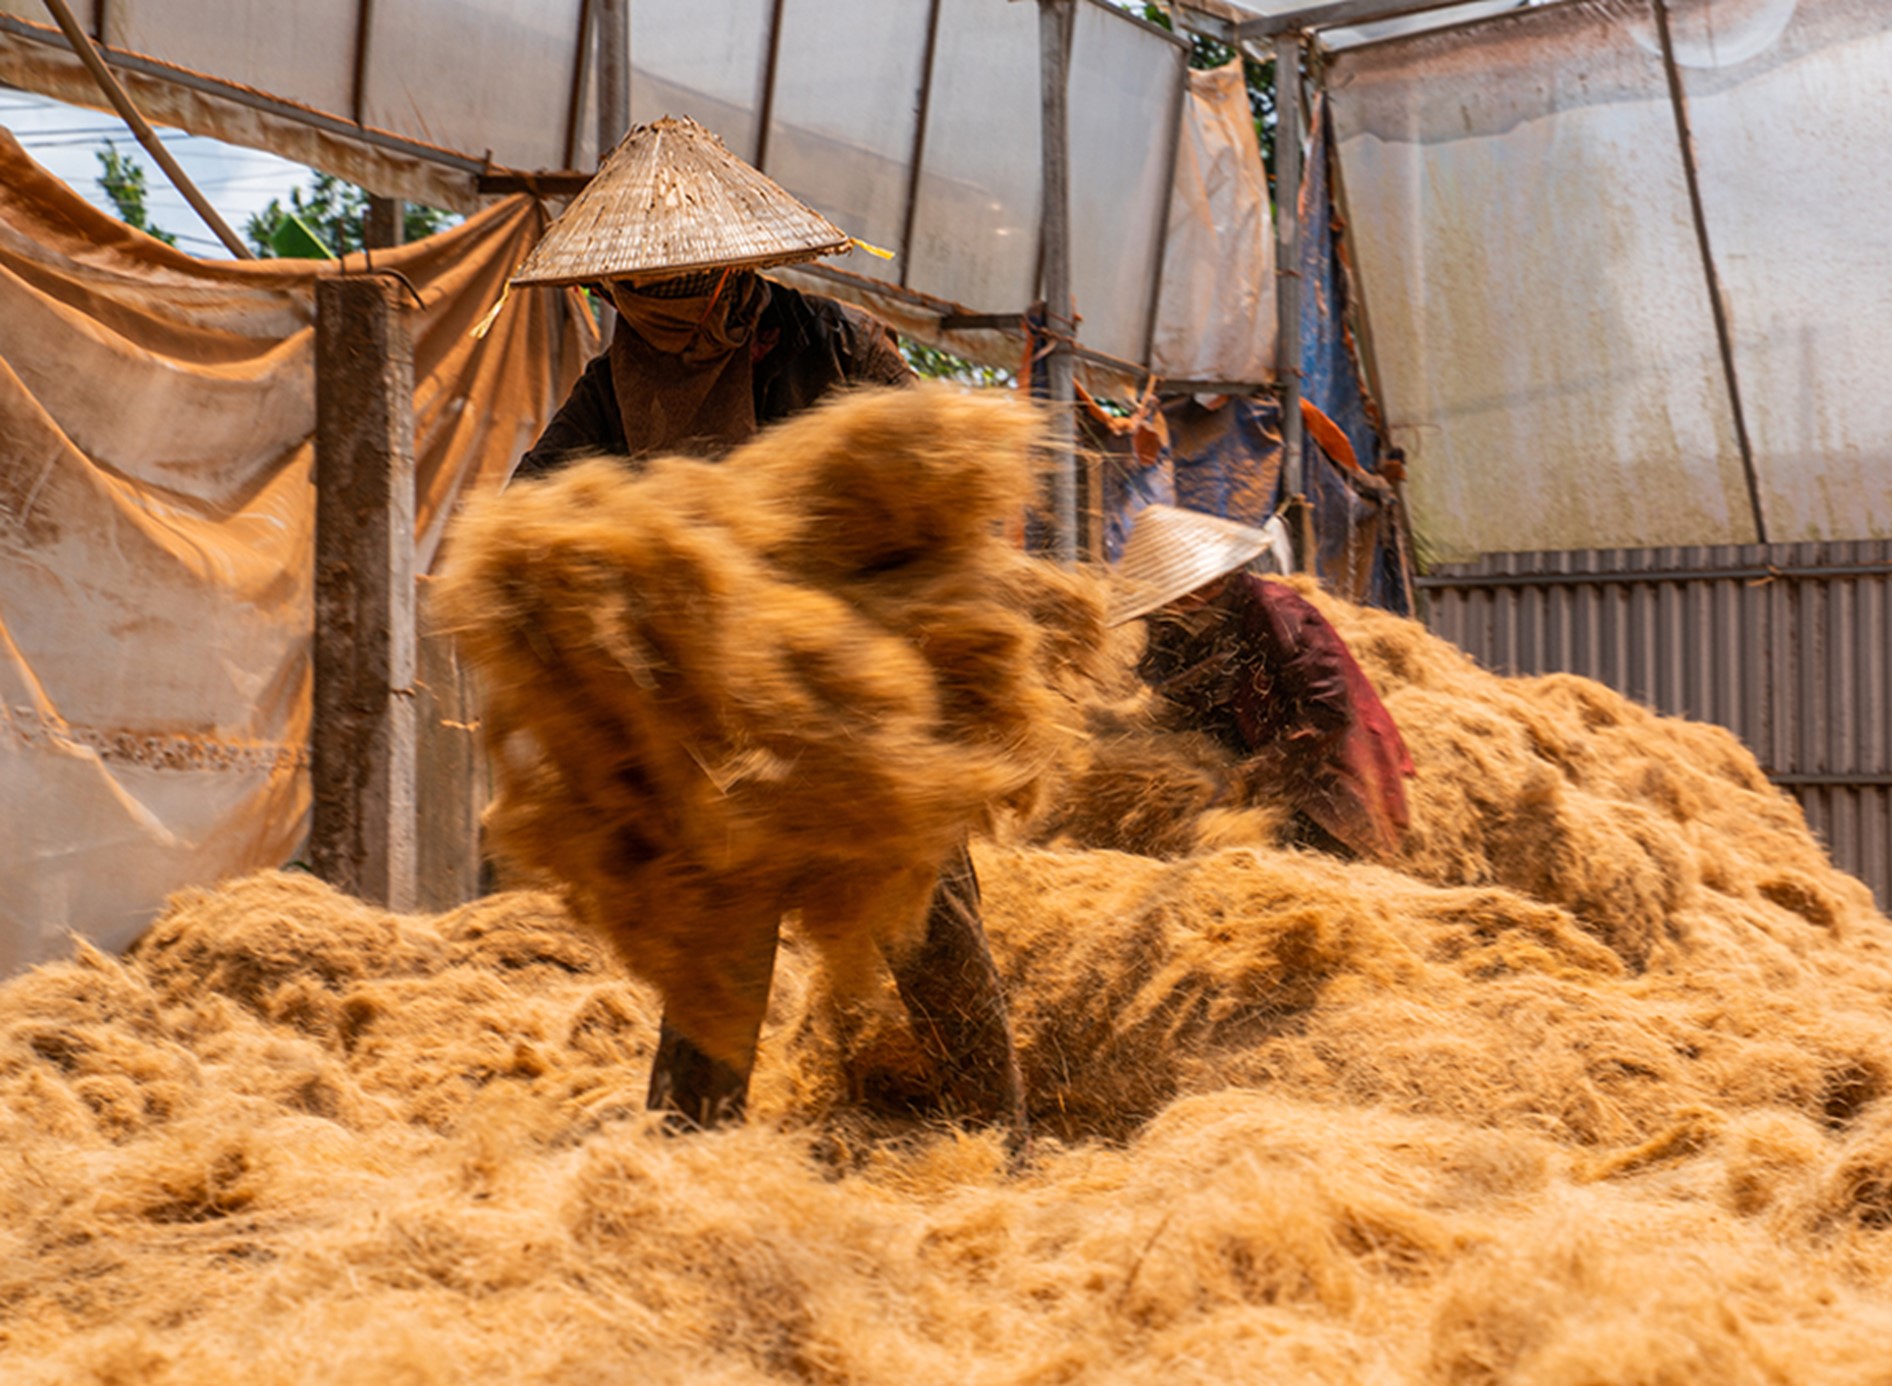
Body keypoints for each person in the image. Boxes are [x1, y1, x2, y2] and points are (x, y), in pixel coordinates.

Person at [501, 117, 1024, 1140]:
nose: (655, 311)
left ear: (735, 270)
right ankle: (685, 1156)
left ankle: (996, 1145)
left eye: (680, 286)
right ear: (607, 291)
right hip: (720, 714)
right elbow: (534, 511)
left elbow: (932, 478)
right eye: (632, 294)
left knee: (927, 920)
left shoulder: (830, 344)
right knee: (718, 942)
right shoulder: (614, 388)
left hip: (863, 692)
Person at [1110, 504, 1415, 861]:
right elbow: (1178, 693)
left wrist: (1256, 773)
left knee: (1331, 857)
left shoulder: (1276, 610)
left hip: (1323, 763)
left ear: (1209, 580)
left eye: (1175, 592)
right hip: (1256, 753)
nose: (1170, 605)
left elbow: (1329, 708)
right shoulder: (1176, 623)